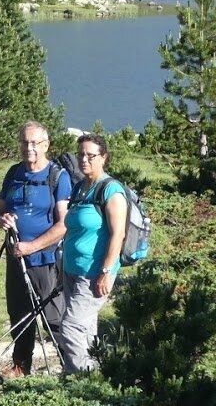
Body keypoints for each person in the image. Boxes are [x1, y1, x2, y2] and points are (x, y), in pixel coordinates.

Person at [0, 121, 71, 378]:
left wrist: (32, 247)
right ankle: (20, 366)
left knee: (53, 316)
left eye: (35, 143)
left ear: (46, 145)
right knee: (19, 313)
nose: (29, 148)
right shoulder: (14, 173)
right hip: (16, 257)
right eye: (25, 142)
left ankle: (71, 367)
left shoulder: (57, 177)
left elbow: (63, 225)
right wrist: (2, 220)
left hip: (45, 259)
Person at [57, 133, 128, 375]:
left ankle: (80, 381)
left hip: (95, 272)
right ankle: (85, 378)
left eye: (90, 155)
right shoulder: (80, 188)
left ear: (103, 157)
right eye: (80, 155)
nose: (84, 159)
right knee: (86, 329)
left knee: (70, 327)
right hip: (71, 270)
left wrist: (106, 272)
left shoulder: (111, 190)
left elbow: (118, 234)